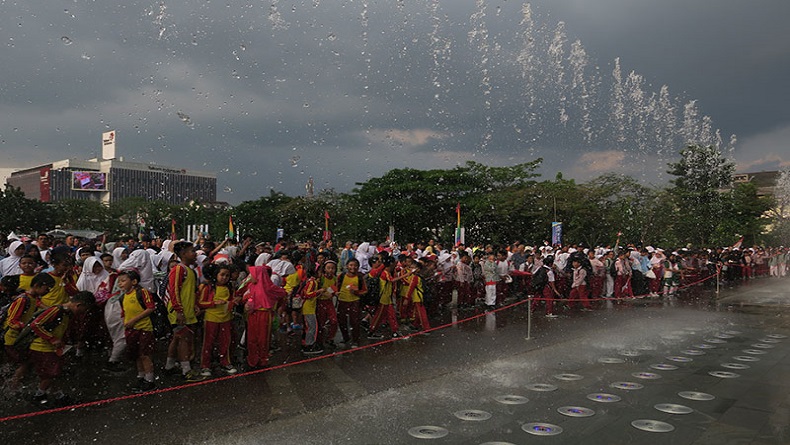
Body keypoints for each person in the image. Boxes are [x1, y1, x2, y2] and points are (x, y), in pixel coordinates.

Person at [28, 291, 95, 406]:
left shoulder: (67, 313)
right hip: (42, 347)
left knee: (55, 372)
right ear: (78, 305)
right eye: (84, 310)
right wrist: (52, 339)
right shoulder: (56, 310)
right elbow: (35, 325)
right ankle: (39, 395)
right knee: (52, 373)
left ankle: (59, 396)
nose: (83, 313)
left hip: (52, 348)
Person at [4, 273, 54, 391]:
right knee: (24, 363)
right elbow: (12, 321)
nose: (48, 291)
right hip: (12, 339)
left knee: (25, 363)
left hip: (21, 338)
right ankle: (12, 388)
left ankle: (14, 384)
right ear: (37, 285)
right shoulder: (22, 299)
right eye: (46, 288)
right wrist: (26, 327)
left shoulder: (33, 299)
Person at [164, 241, 205, 382]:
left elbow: (190, 291)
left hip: (186, 311)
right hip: (179, 312)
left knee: (177, 338)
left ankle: (169, 366)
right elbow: (174, 290)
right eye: (192, 251)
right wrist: (179, 311)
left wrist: (194, 305)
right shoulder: (178, 269)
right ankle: (186, 371)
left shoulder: (190, 270)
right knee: (183, 339)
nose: (194, 254)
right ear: (183, 254)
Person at [117, 269, 157, 392]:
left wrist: (134, 320)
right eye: (119, 282)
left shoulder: (142, 292)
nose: (120, 284)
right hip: (131, 329)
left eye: (123, 281)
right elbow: (124, 312)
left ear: (134, 281)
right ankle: (141, 376)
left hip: (144, 328)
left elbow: (151, 308)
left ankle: (150, 380)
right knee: (136, 355)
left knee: (145, 354)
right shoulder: (123, 297)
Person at [241, 265, 287, 369]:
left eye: (252, 274)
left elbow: (283, 294)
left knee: (263, 338)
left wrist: (276, 307)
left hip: (264, 315)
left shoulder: (269, 287)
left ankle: (262, 359)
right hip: (253, 314)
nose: (250, 276)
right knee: (252, 338)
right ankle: (253, 358)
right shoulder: (251, 286)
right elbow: (244, 295)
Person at [198, 263, 239, 376]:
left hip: (226, 318)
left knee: (225, 341)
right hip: (211, 318)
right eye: (222, 275)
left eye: (227, 275)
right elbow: (200, 303)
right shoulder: (208, 287)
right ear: (216, 275)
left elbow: (231, 300)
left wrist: (233, 302)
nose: (224, 277)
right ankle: (205, 365)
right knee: (208, 342)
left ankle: (225, 362)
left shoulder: (229, 288)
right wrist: (213, 303)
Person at [368, 257, 410, 339]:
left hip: (387, 298)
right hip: (383, 298)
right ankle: (371, 331)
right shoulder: (385, 272)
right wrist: (406, 275)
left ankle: (395, 331)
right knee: (378, 316)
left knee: (391, 315)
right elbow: (392, 280)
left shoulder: (387, 272)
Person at [335, 259, 367, 348]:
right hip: (342, 301)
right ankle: (346, 338)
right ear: (347, 266)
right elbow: (336, 286)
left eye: (355, 265)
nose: (353, 267)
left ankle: (355, 340)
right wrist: (336, 293)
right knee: (342, 321)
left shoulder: (360, 277)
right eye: (351, 265)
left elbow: (365, 290)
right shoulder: (341, 276)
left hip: (355, 302)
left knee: (355, 322)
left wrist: (357, 292)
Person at [316, 260, 339, 349]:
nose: (331, 270)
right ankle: (320, 341)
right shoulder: (320, 278)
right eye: (328, 268)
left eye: (333, 268)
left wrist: (334, 293)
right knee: (320, 322)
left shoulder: (334, 279)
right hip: (320, 302)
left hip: (329, 302)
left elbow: (333, 289)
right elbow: (317, 291)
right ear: (324, 269)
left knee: (334, 321)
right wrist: (325, 293)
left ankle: (330, 338)